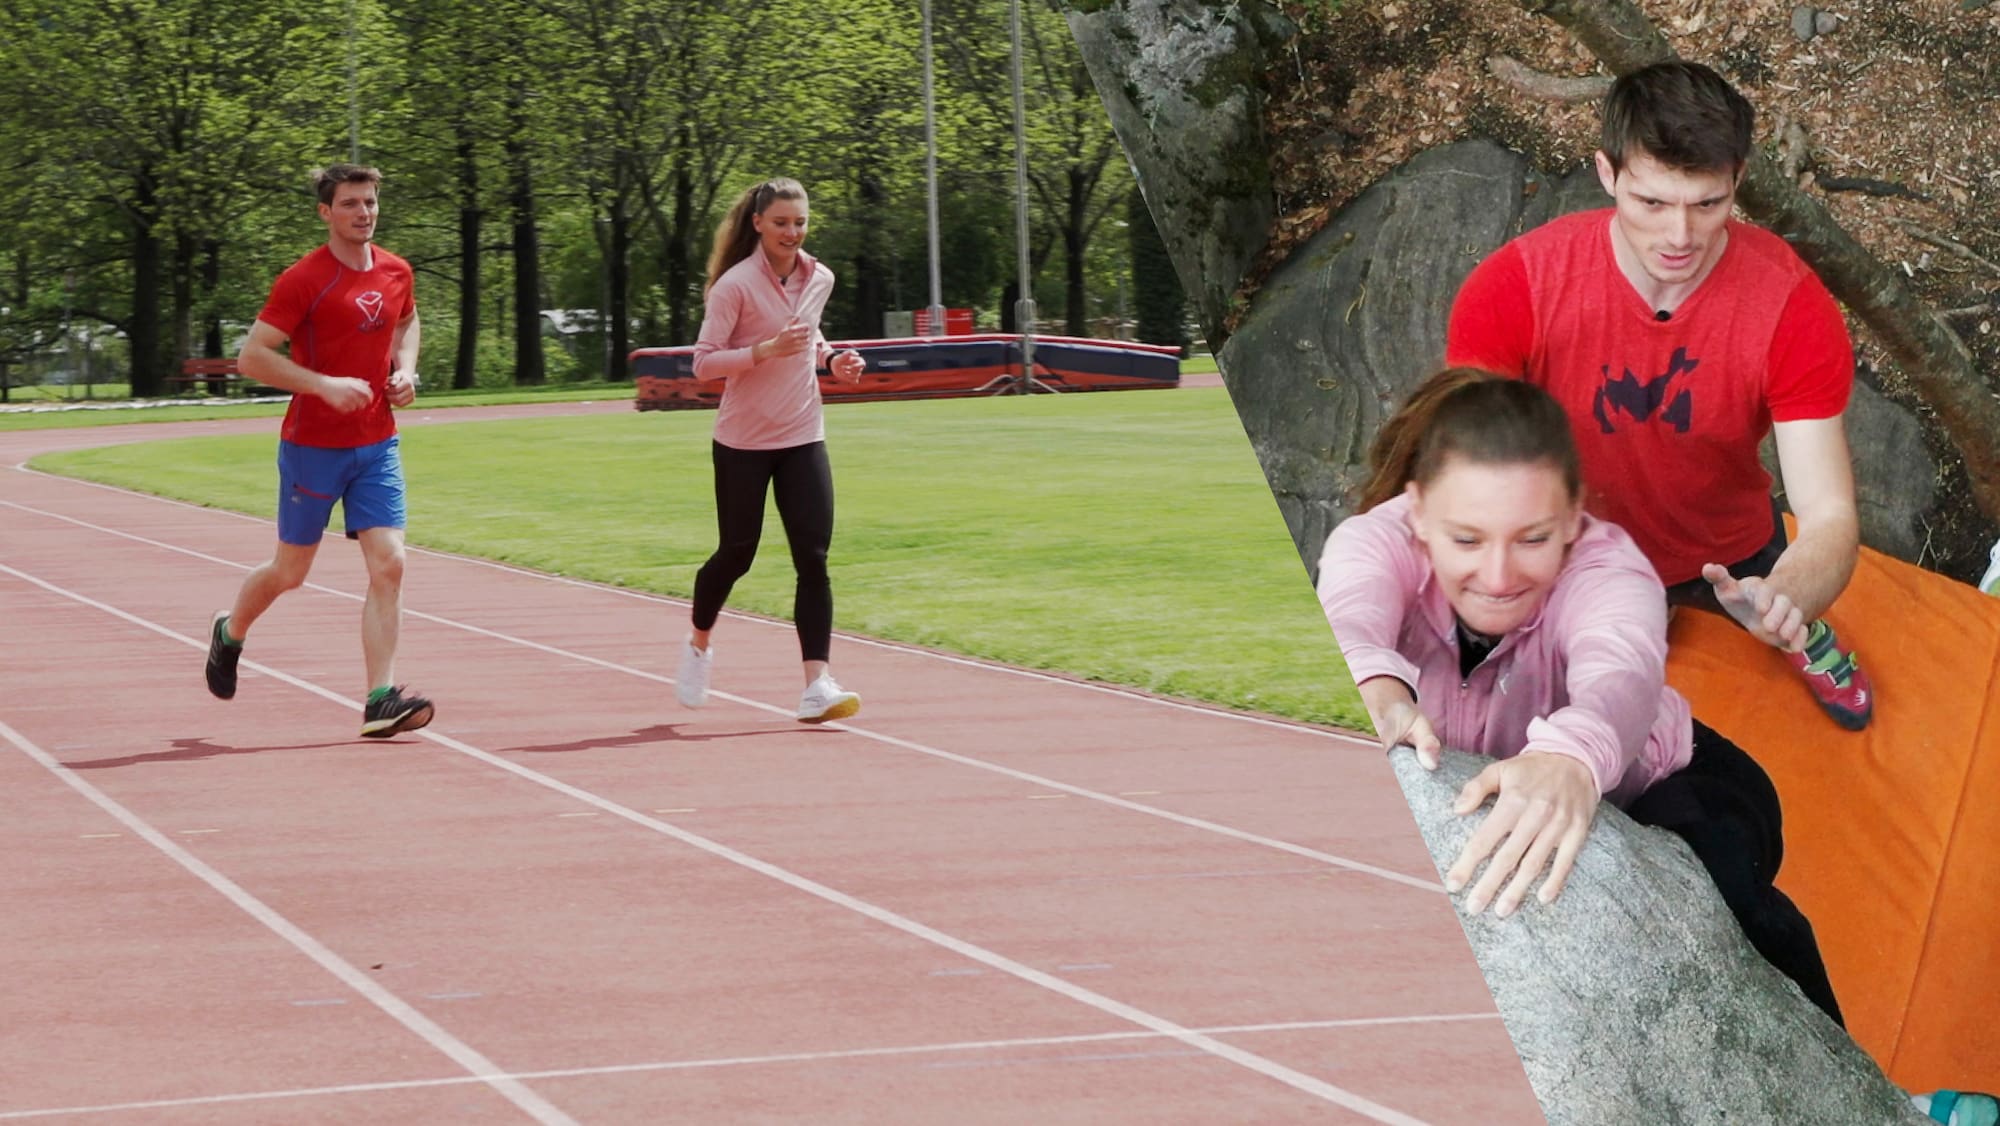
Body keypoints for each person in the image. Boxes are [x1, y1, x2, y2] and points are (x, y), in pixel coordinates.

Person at [1317, 367, 1843, 1024]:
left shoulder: (1608, 565)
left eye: (1532, 537)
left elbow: (1619, 670)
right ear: (1418, 510)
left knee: (1729, 901)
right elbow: (1348, 612)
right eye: (1468, 537)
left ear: (1571, 517)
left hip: (1676, 776)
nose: (1500, 576)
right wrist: (1374, 687)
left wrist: (1571, 757)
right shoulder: (1376, 542)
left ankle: (1873, 1092)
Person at [1445, 60, 1873, 731]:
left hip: (1727, 548)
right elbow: (1468, 470)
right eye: (1652, 202)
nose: (1680, 237)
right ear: (1607, 173)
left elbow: (1829, 516)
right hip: (1573, 548)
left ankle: (1803, 637)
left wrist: (1789, 597)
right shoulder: (1513, 290)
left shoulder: (1790, 306)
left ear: (1737, 181)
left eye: (1707, 204)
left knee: (1783, 613)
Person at [204, 164, 433, 739]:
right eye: (351, 203)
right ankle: (230, 631)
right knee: (290, 571)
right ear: (325, 212)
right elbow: (252, 357)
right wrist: (323, 385)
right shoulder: (304, 279)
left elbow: (407, 323)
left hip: (377, 443)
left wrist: (406, 371)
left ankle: (380, 698)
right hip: (312, 447)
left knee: (391, 562)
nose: (364, 212)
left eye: (371, 202)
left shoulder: (396, 270)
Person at [676, 177, 866, 724]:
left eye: (800, 222)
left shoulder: (819, 276)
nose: (792, 232)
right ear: (758, 222)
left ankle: (817, 684)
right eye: (781, 222)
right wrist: (763, 350)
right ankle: (698, 643)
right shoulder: (733, 286)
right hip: (743, 440)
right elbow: (704, 362)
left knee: (814, 557)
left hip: (804, 433)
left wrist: (834, 361)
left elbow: (812, 336)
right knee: (737, 553)